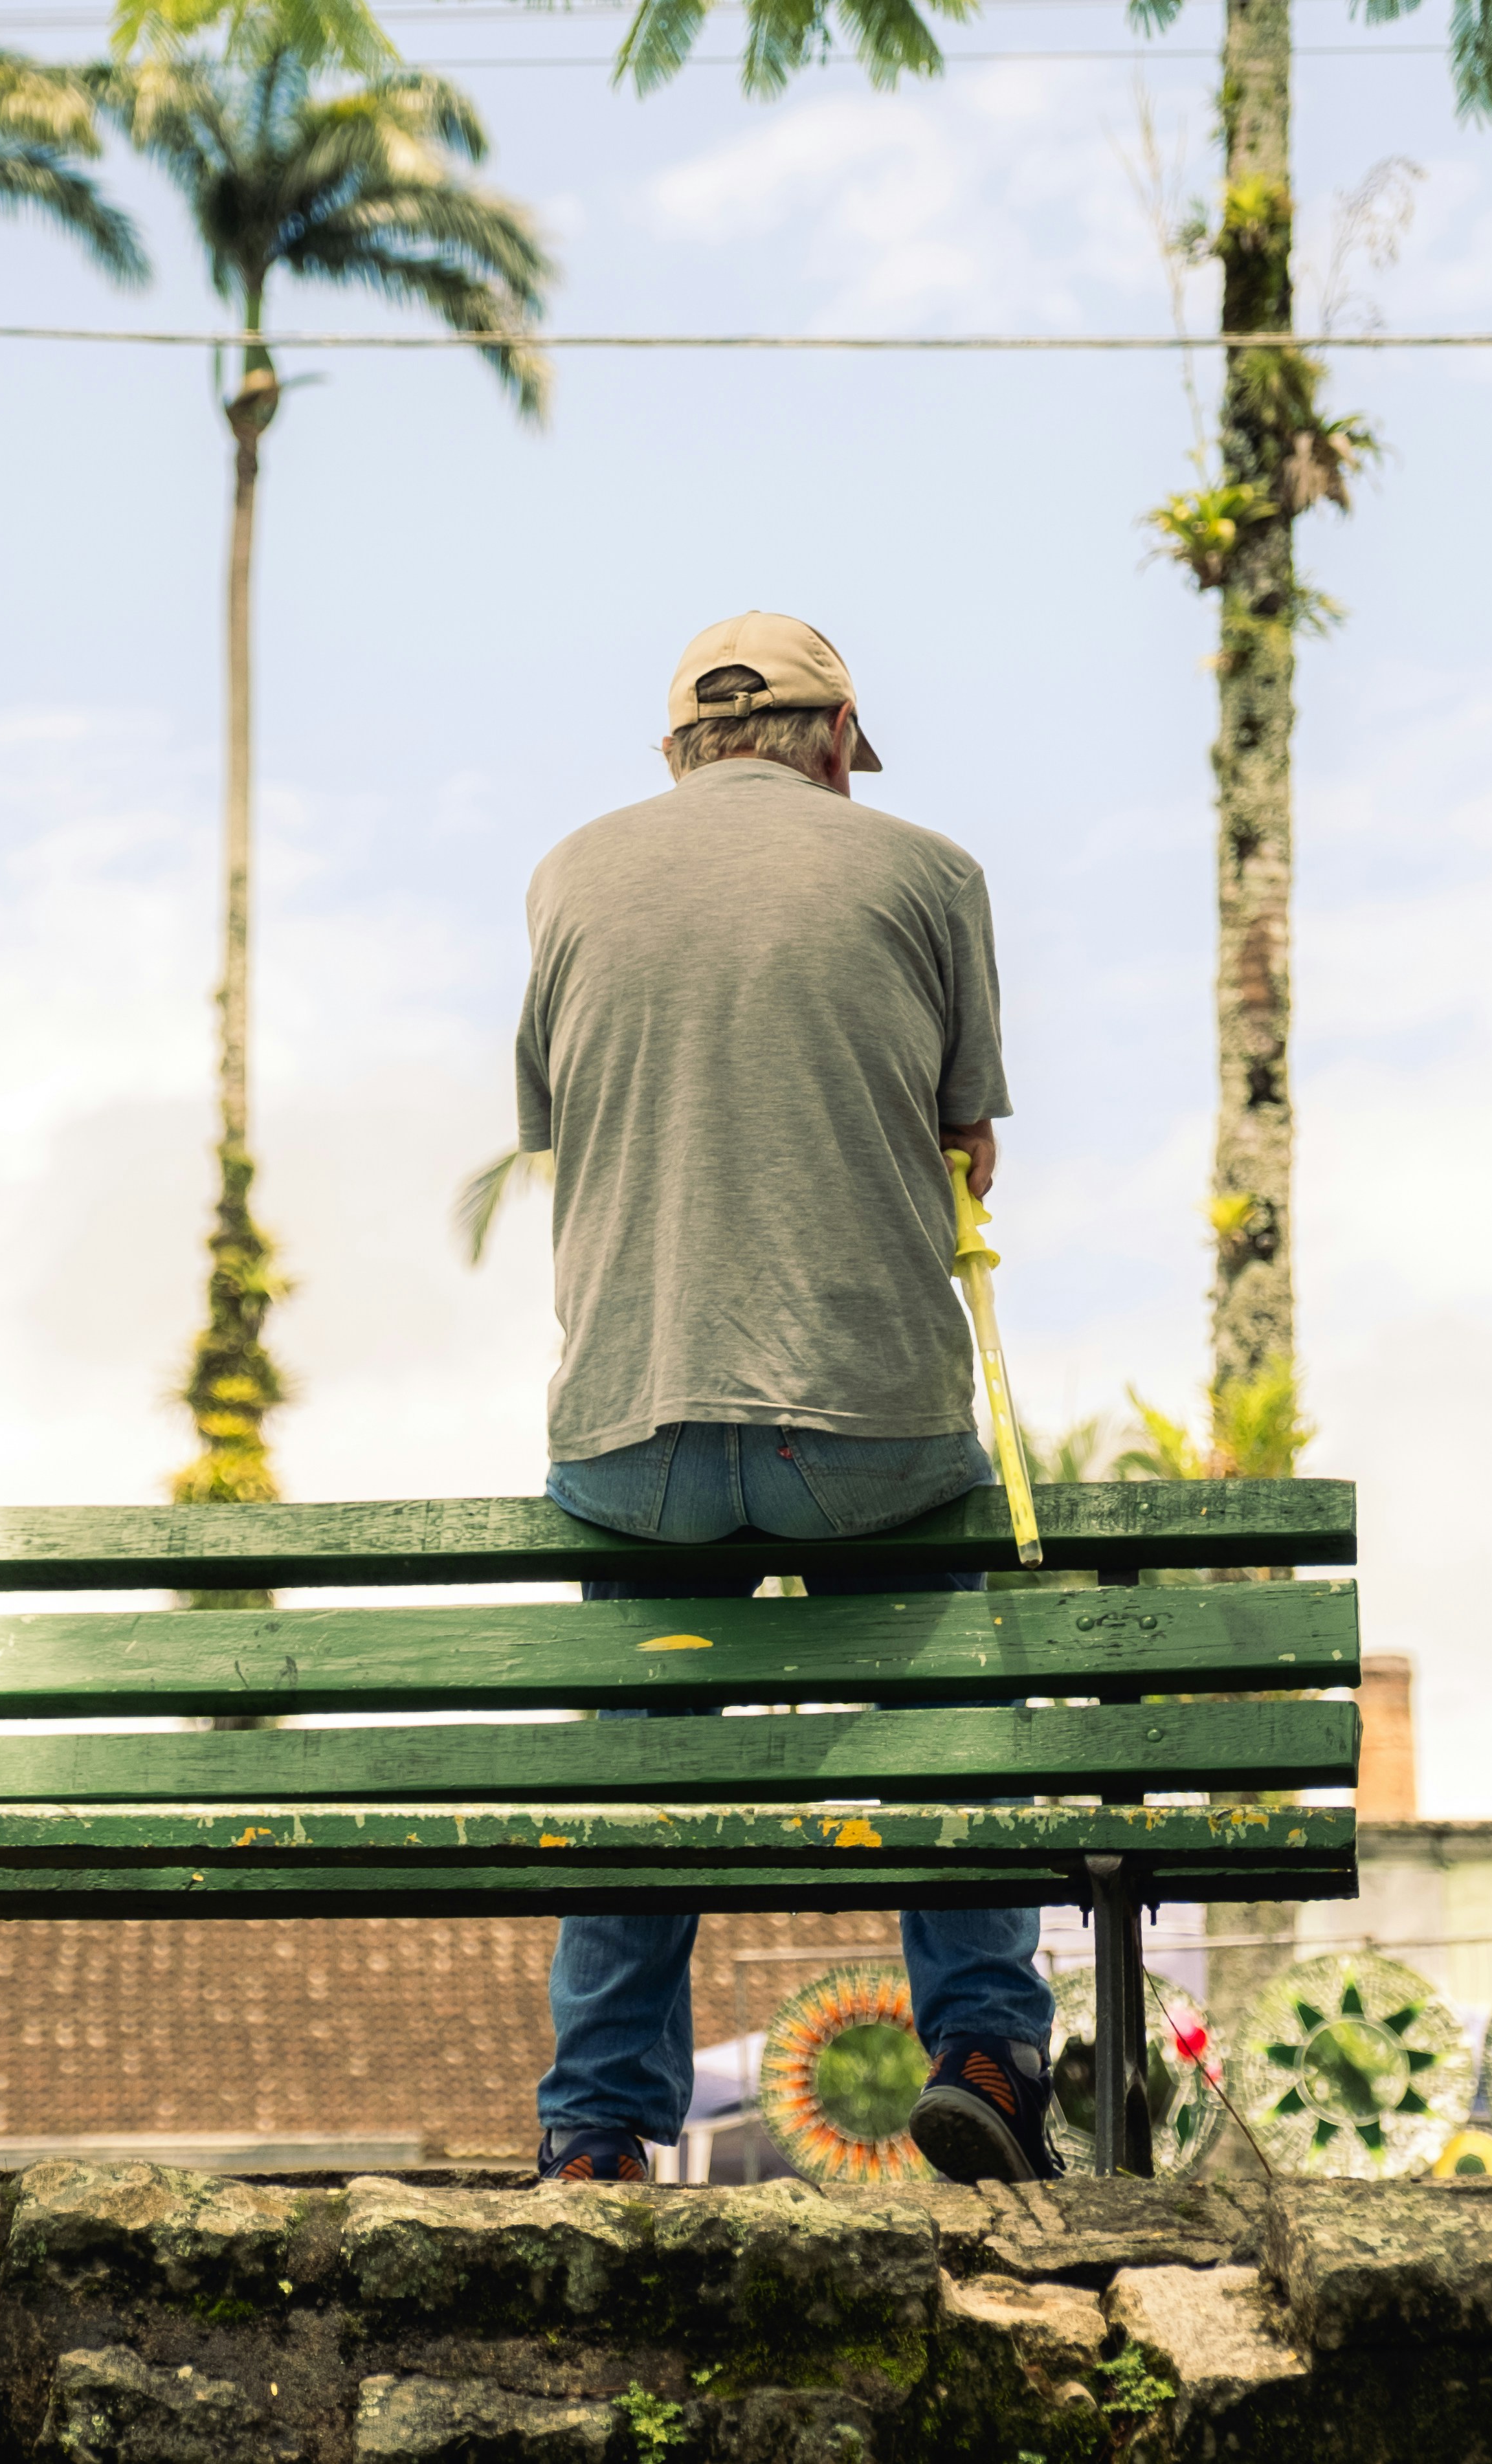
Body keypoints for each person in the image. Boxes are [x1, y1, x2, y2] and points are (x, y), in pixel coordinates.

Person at [512, 610, 1057, 2185]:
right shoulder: (929, 872)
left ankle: (598, 2130)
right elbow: (970, 1137)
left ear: (676, 751)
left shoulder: (567, 874)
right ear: (834, 741)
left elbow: (562, 1126)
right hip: (866, 1430)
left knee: (639, 1760)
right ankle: (986, 2054)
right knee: (950, 1720)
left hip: (635, 1433)